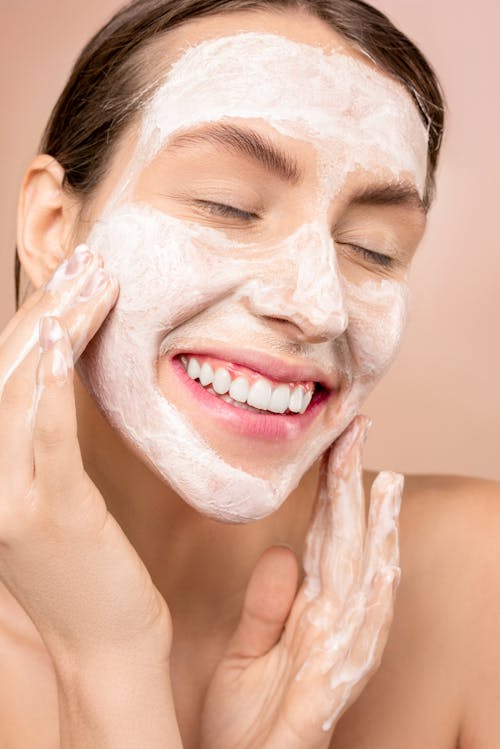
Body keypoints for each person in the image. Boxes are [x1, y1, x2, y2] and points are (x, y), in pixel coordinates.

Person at [1, 0, 499, 746]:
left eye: (374, 247)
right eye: (227, 205)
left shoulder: (477, 580)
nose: (318, 305)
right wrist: (109, 658)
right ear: (51, 228)